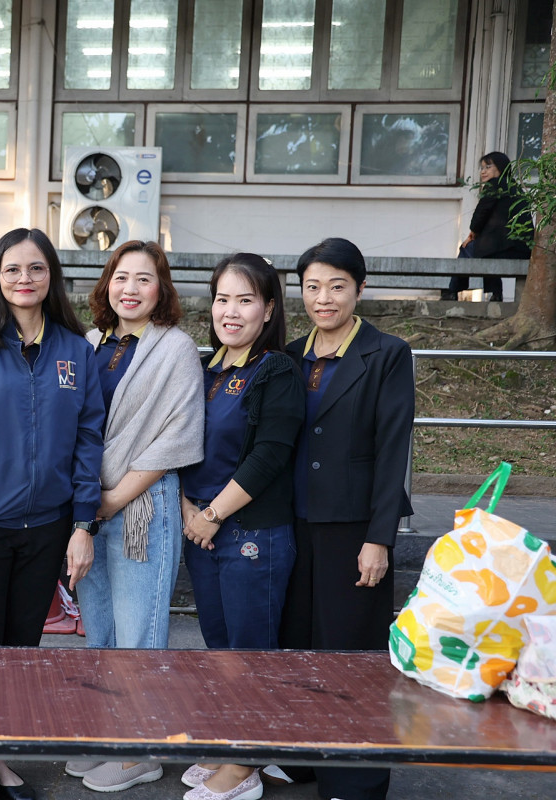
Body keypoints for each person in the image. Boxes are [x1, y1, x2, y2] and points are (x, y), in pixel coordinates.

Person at [0, 228, 105, 800]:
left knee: (22, 651)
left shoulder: (76, 351)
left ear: (51, 276)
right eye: (12, 269)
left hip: (49, 527)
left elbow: (88, 439)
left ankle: (2, 756)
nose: (24, 279)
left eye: (35, 268)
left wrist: (82, 523)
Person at [66, 240, 204, 793]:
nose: (130, 289)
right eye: (121, 277)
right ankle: (109, 738)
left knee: (138, 635)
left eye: (144, 279)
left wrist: (112, 499)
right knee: (99, 631)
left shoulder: (175, 348)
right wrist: (87, 505)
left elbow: (177, 436)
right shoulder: (89, 342)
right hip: (88, 508)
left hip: (142, 506)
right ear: (107, 284)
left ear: (161, 289)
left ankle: (142, 751)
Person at [281, 237, 414, 800]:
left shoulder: (387, 354)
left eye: (337, 286)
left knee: (352, 655)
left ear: (360, 289)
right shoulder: (291, 355)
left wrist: (379, 538)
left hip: (354, 529)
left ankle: (356, 778)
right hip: (294, 525)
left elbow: (392, 450)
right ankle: (305, 759)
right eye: (313, 287)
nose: (324, 298)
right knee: (299, 646)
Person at [177, 253, 305, 800]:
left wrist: (211, 515)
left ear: (269, 308)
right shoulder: (205, 368)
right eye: (222, 299)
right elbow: (181, 443)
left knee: (250, 653)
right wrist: (189, 508)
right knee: (220, 647)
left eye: (245, 300)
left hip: (251, 532)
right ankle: (234, 738)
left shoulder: (276, 370)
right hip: (201, 530)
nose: (230, 311)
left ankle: (246, 763)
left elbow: (268, 456)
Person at [443, 151, 533, 302]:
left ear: (501, 168)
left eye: (488, 167)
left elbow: (481, 213)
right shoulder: (516, 188)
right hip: (523, 249)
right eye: (482, 168)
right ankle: (496, 294)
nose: (483, 171)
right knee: (487, 251)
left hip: (506, 248)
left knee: (467, 249)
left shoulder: (494, 185)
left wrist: (473, 232)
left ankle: (452, 291)